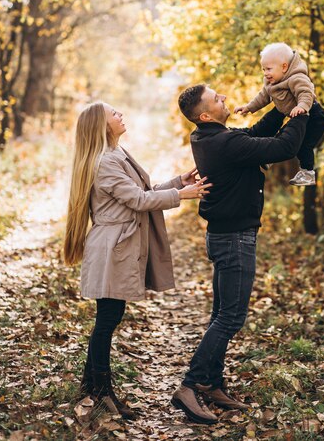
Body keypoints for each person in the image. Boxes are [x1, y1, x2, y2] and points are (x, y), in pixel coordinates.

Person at [64, 101, 211, 420]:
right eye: (113, 114)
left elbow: (142, 191)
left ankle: (94, 387)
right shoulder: (105, 162)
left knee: (108, 318)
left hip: (118, 245)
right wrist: (182, 197)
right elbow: (138, 200)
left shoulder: (116, 154)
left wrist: (177, 182)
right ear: (103, 127)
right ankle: (101, 391)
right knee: (107, 319)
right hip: (112, 247)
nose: (120, 115)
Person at [172, 84, 309, 425]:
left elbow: (253, 134)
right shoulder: (224, 142)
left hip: (223, 235)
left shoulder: (205, 137)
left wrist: (281, 106)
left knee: (222, 312)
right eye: (216, 98)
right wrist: (301, 111)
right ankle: (190, 385)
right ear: (205, 115)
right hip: (234, 238)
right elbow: (284, 146)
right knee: (231, 317)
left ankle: (210, 381)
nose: (224, 99)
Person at [234, 42, 324, 186]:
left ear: (284, 67)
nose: (266, 73)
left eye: (269, 69)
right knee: (280, 130)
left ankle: (308, 173)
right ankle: (270, 157)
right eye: (263, 69)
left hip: (314, 116)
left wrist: (302, 106)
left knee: (303, 146)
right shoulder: (271, 81)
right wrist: (249, 107)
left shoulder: (296, 78)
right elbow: (263, 96)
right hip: (292, 114)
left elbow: (306, 93)